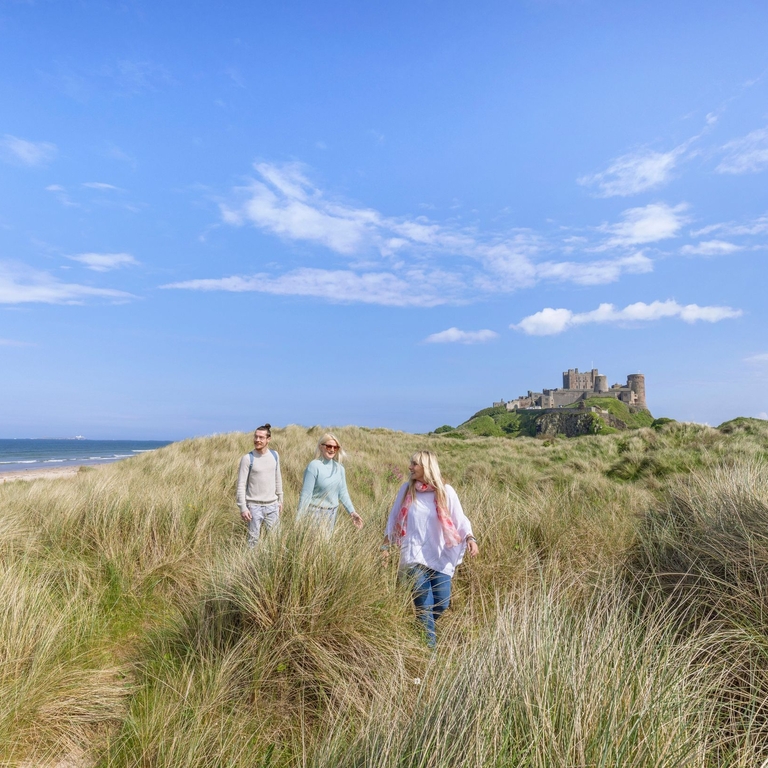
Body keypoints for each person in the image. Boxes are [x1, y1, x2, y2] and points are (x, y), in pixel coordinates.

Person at [382, 450, 478, 648]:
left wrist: (470, 537)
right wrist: (385, 545)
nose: (410, 467)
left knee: (441, 603)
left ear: (427, 467)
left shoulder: (445, 491)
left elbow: (460, 519)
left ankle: (421, 630)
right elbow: (393, 518)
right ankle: (429, 654)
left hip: (440, 556)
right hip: (413, 556)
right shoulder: (406, 491)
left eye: (415, 464)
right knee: (425, 607)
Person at [297, 432, 363, 533]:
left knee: (326, 546)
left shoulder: (340, 468)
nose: (332, 450)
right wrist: (299, 520)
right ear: (321, 446)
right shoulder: (313, 466)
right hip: (314, 513)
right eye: (329, 446)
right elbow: (306, 495)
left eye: (335, 447)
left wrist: (352, 512)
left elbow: (343, 493)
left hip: (332, 513)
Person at [236, 424, 283, 548]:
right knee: (253, 542)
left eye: (261, 437)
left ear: (268, 439)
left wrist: (280, 500)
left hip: (272, 505)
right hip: (254, 507)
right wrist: (243, 508)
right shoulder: (247, 459)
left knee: (275, 540)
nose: (257, 440)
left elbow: (278, 478)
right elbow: (241, 485)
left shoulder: (275, 455)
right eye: (256, 437)